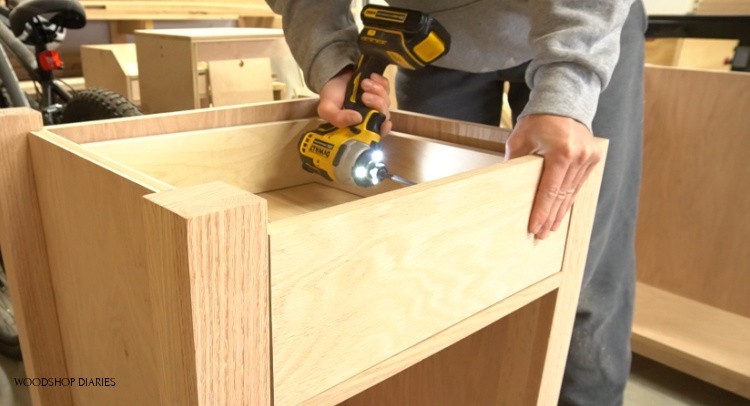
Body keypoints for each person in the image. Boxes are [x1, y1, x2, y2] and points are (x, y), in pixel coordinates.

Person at [265, 0, 646, 404]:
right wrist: (334, 62)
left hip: (582, 22)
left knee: (582, 270)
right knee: (438, 276)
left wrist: (570, 84)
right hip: (431, 38)